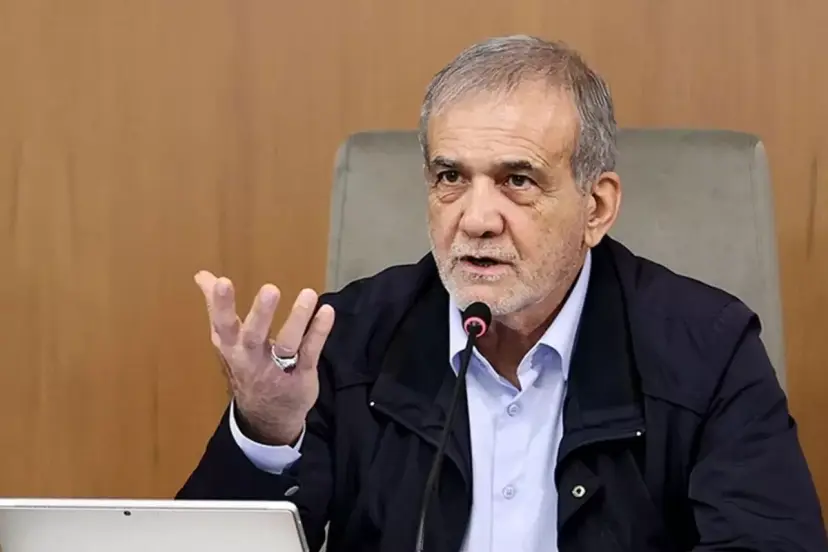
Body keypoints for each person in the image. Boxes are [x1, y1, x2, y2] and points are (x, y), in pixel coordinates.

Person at [177, 36, 827, 552]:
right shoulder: (347, 341)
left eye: (518, 180)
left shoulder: (706, 349)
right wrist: (265, 434)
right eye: (450, 177)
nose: (476, 218)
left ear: (597, 207)